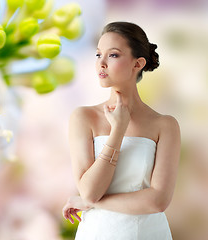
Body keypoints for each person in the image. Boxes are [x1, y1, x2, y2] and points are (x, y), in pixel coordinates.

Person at [62, 21, 181, 239]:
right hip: (97, 233)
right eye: (98, 55)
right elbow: (90, 191)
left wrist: (89, 203)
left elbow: (158, 201)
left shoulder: (165, 125)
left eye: (113, 55)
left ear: (138, 63)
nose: (102, 63)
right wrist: (118, 130)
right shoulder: (83, 118)